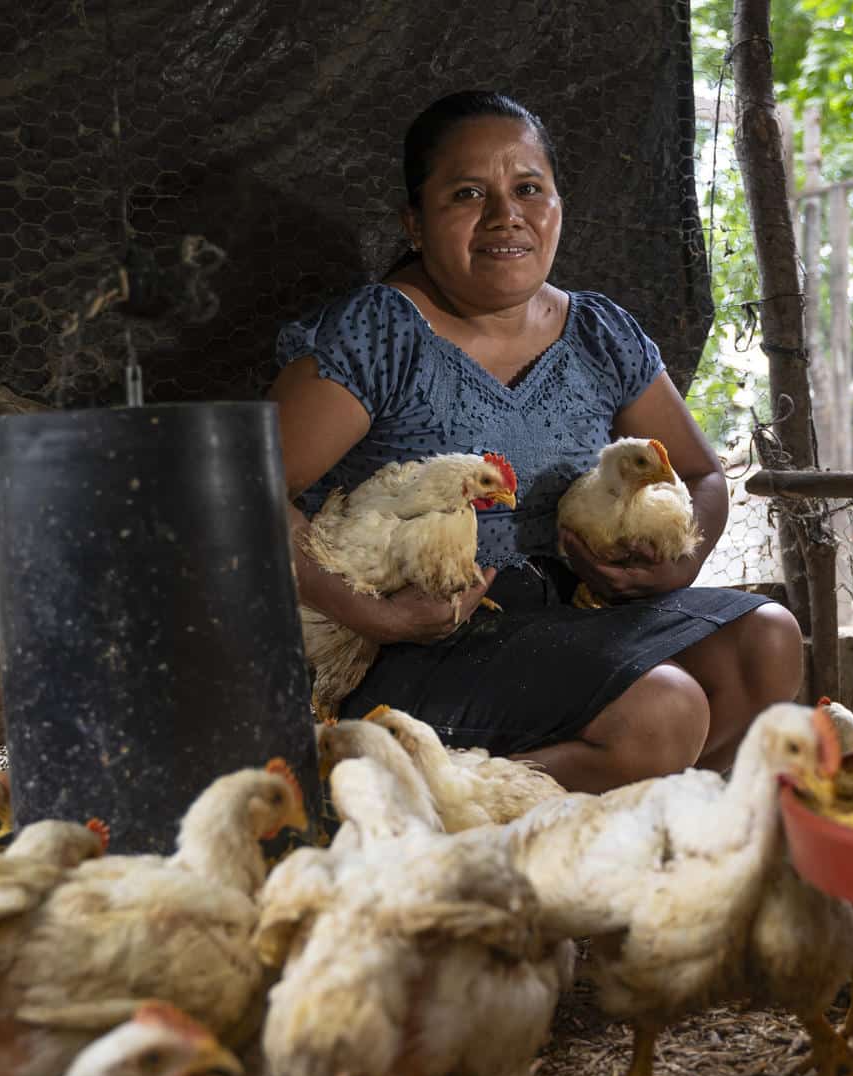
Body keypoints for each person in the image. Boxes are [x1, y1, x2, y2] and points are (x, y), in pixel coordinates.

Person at [271, 90, 804, 793]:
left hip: (573, 624)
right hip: (420, 644)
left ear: (557, 205)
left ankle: (615, 848)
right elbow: (244, 495)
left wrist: (678, 564)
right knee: (659, 715)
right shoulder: (382, 334)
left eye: (529, 188)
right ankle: (390, 811)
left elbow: (702, 474)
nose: (505, 216)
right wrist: (378, 614)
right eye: (467, 194)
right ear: (415, 221)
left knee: (767, 642)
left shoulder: (598, 333)